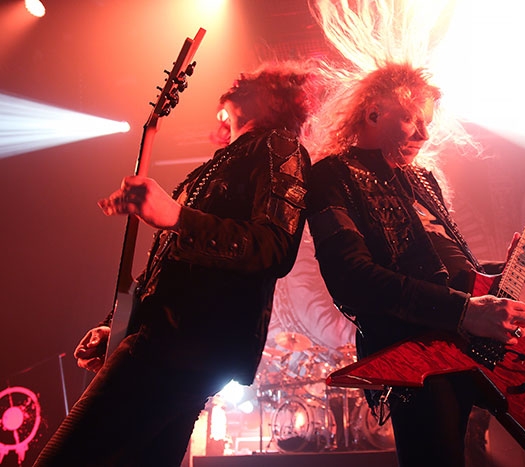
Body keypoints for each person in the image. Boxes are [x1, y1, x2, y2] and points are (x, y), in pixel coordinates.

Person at [306, 62, 525, 467]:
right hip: (418, 356)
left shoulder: (421, 180)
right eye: (412, 120)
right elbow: (351, 279)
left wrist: (506, 271)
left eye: (428, 123)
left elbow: (447, 270)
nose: (425, 134)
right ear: (374, 112)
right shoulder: (330, 176)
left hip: (488, 342)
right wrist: (464, 311)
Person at [33, 61, 316, 466]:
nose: (240, 79)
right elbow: (173, 269)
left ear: (277, 99)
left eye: (255, 80)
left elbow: (275, 247)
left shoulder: (278, 146)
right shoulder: (216, 164)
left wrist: (178, 216)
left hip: (182, 347)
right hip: (170, 343)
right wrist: (119, 325)